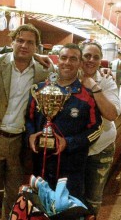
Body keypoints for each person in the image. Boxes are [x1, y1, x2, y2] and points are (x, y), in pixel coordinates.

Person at [0, 23, 52, 220]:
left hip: (19, 143)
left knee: (14, 193)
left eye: (30, 42)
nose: (24, 45)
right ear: (12, 42)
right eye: (19, 40)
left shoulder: (42, 72)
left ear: (36, 47)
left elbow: (68, 74)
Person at [26, 43, 103, 200]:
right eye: (64, 58)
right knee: (39, 210)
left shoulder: (87, 96)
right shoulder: (40, 90)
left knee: (66, 212)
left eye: (73, 59)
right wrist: (30, 135)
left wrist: (68, 143)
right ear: (58, 60)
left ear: (80, 63)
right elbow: (29, 119)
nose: (67, 62)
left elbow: (96, 130)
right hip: (41, 165)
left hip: (71, 169)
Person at [78, 40, 121, 217]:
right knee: (72, 196)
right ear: (80, 56)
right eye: (87, 55)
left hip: (100, 150)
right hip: (75, 149)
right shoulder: (68, 75)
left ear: (101, 60)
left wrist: (94, 87)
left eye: (96, 57)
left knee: (93, 200)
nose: (91, 60)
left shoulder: (106, 81)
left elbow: (112, 114)